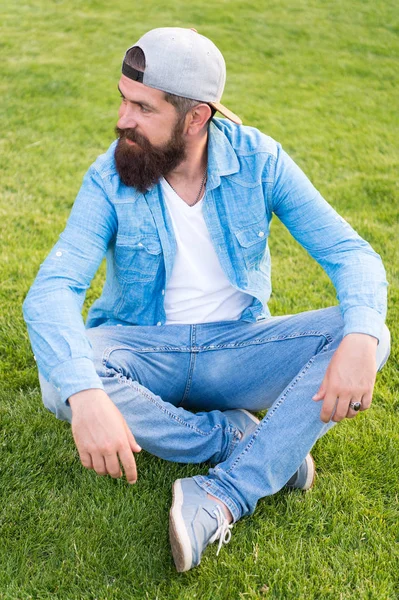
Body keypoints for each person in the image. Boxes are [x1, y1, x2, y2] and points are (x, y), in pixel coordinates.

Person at [23, 27, 391, 572]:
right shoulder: (109, 176)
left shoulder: (260, 160)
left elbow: (348, 252)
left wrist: (361, 336)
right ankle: (238, 438)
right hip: (146, 352)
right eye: (123, 100)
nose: (123, 119)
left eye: (143, 107)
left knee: (366, 332)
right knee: (63, 382)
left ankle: (223, 495)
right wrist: (87, 393)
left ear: (196, 117)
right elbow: (53, 290)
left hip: (238, 349)